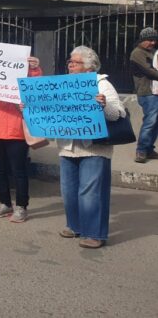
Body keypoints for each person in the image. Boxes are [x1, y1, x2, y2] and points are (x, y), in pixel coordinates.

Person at [58, 46, 125, 249]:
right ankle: (75, 226)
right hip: (68, 147)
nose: (70, 64)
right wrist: (30, 107)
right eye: (70, 61)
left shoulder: (102, 84)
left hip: (94, 148)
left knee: (90, 192)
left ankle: (94, 233)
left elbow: (118, 113)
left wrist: (104, 105)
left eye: (75, 62)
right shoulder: (60, 85)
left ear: (89, 67)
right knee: (69, 191)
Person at [0, 56, 43, 222]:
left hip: (15, 130)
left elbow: (36, 88)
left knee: (19, 171)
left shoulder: (27, 75)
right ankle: (5, 204)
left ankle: (22, 206)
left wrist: (35, 69)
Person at [129, 27, 158, 163]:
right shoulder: (138, 53)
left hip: (155, 91)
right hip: (147, 92)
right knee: (150, 122)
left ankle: (149, 149)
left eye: (154, 40)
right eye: (150, 40)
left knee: (155, 123)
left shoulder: (152, 52)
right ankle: (141, 151)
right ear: (142, 40)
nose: (153, 43)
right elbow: (150, 72)